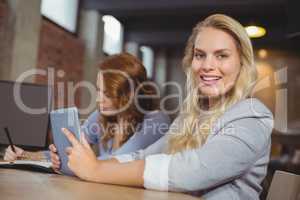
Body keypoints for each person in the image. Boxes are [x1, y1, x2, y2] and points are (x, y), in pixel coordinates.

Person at [52, 14, 273, 200]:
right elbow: (145, 155)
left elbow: (192, 170)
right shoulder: (191, 117)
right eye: (200, 55)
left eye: (222, 55)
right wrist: (81, 162)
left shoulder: (252, 115)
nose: (207, 65)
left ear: (242, 63)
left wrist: (96, 169)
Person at [4, 53, 170, 164]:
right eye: (98, 90)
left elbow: (121, 161)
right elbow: (69, 151)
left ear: (130, 94)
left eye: (108, 94)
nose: (99, 99)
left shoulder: (157, 120)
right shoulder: (101, 115)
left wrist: (79, 161)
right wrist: (25, 155)